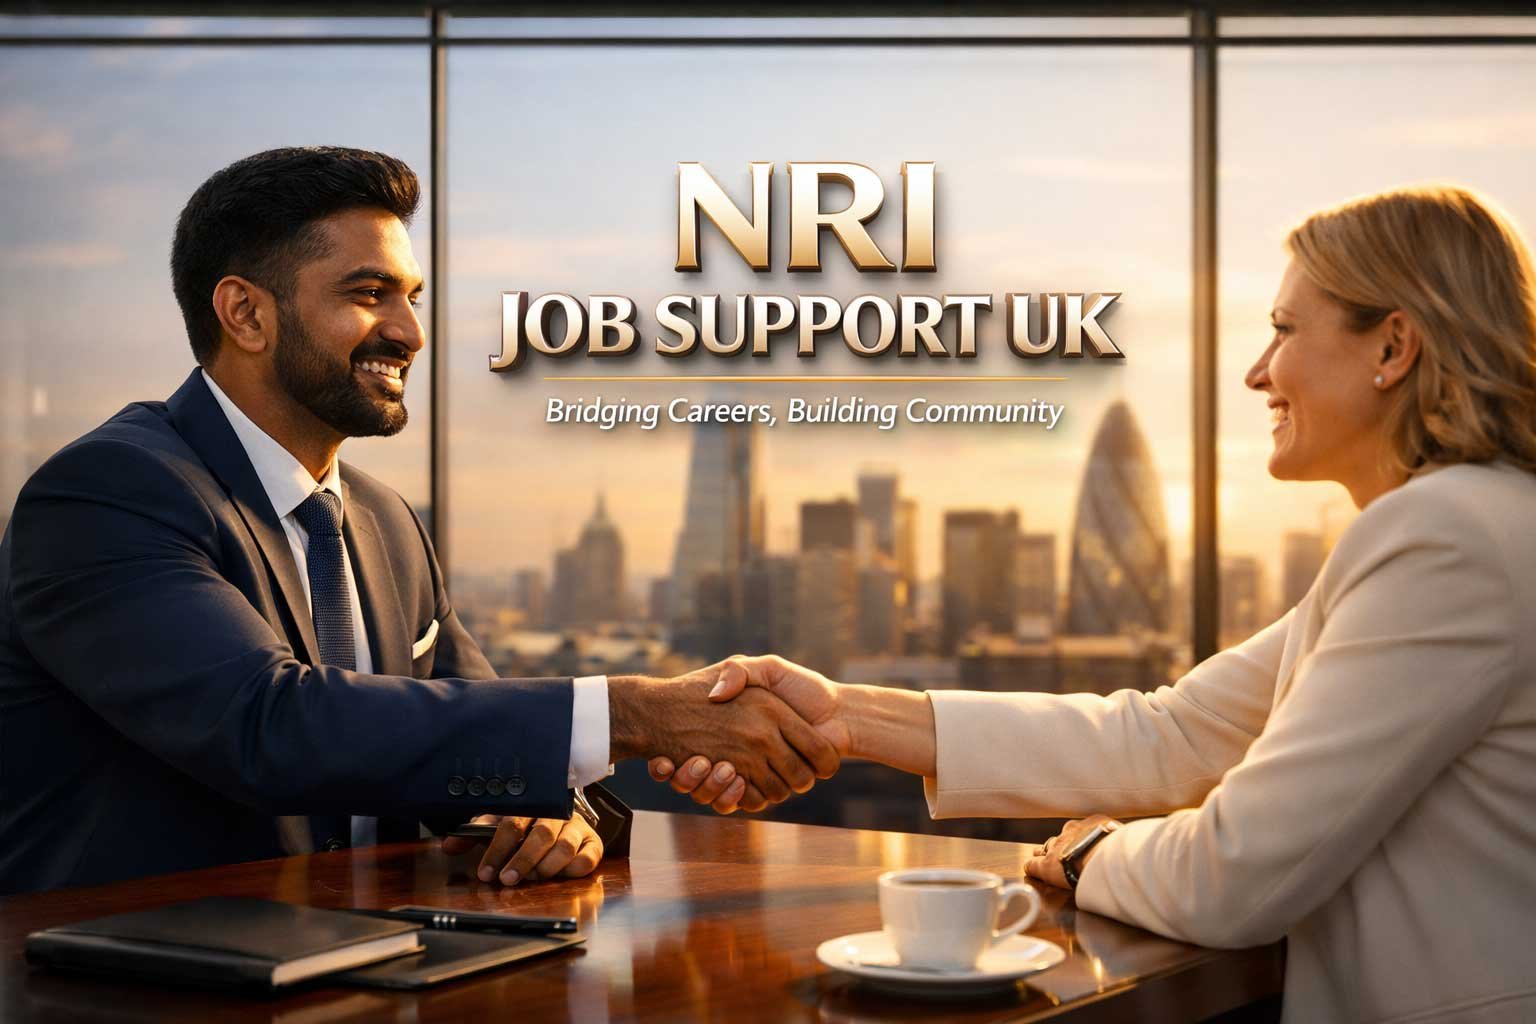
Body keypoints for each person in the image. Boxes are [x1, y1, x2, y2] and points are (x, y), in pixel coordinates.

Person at [656, 185, 1536, 1023]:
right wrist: (845, 716)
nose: (1257, 372)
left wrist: (1088, 855)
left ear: (1393, 347)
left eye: (1282, 330)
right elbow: (1172, 733)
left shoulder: (1442, 539)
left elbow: (1234, 877)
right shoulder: (1464, 526)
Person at [0, 146, 836, 896]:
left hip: (376, 967)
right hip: (137, 985)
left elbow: (467, 725)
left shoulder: (386, 521)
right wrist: (642, 711)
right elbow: (269, 726)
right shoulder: (108, 494)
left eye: (411, 297)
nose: (409, 333)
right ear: (245, 314)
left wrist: (538, 814)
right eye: (369, 295)